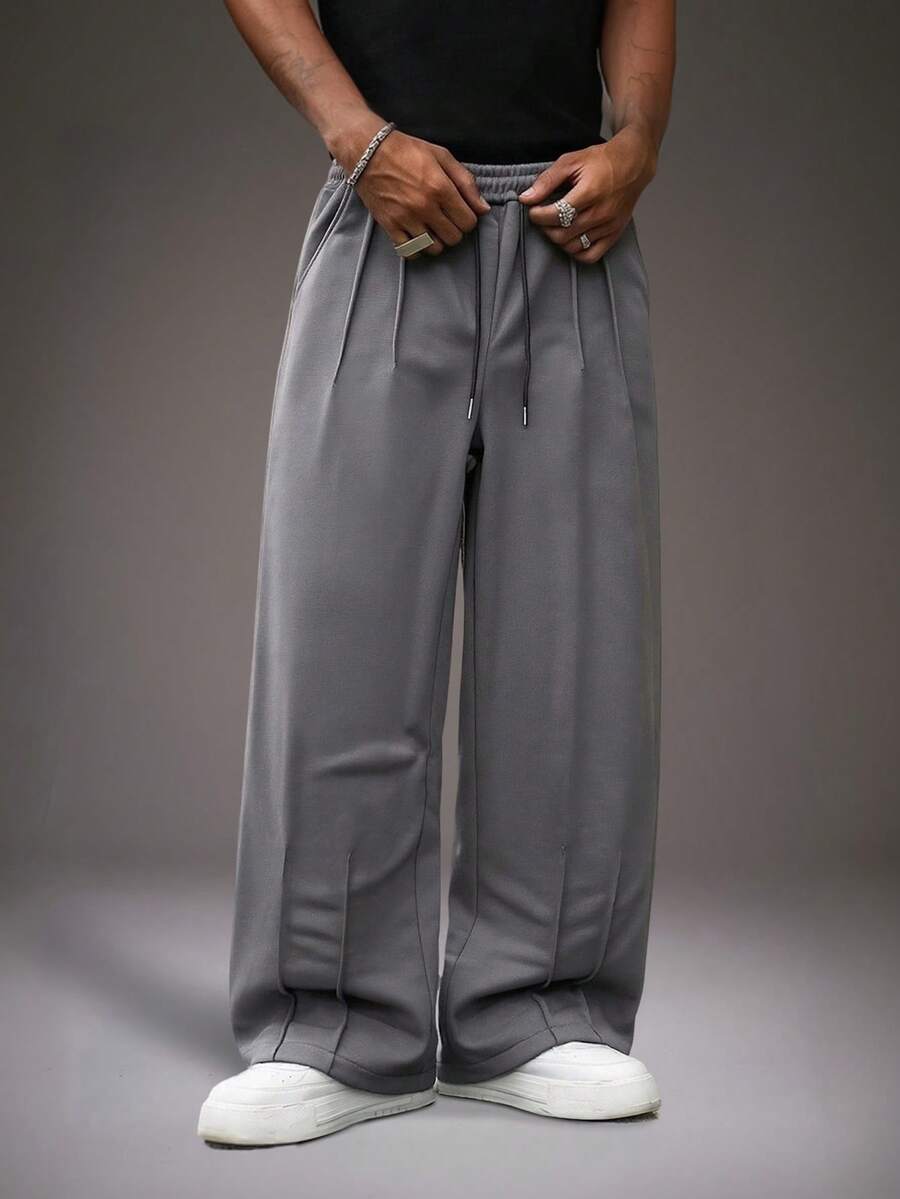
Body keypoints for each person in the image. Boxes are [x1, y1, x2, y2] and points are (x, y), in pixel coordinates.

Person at [197, 0, 675, 1146]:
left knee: (574, 650)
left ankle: (540, 1012)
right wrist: (354, 136)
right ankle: (332, 1027)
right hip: (388, 214)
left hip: (569, 228)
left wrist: (638, 142)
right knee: (339, 641)